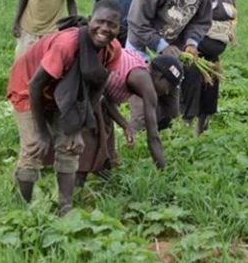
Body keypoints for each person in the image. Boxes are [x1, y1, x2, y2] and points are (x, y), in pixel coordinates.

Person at [6, 0, 122, 214]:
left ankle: (65, 208)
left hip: (67, 94)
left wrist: (77, 129)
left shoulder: (113, 50)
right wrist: (42, 133)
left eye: (112, 25)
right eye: (100, 21)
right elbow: (35, 86)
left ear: (119, 28)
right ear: (89, 21)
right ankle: (23, 210)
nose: (105, 29)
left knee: (70, 146)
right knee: (33, 147)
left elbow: (95, 91)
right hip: (28, 88)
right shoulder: (66, 45)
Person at [77, 52, 183, 185]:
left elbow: (104, 98)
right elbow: (153, 138)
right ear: (160, 76)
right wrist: (166, 174)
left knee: (105, 147)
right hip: (81, 92)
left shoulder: (140, 70)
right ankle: (73, 193)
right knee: (89, 145)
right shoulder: (145, 84)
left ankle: (104, 186)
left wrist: (125, 125)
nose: (168, 92)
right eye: (169, 86)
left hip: (93, 94)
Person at [182, 0, 240, 134]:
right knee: (192, 96)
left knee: (209, 98)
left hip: (214, 58)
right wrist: (192, 46)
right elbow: (192, 18)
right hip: (198, 54)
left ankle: (202, 134)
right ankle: (184, 136)